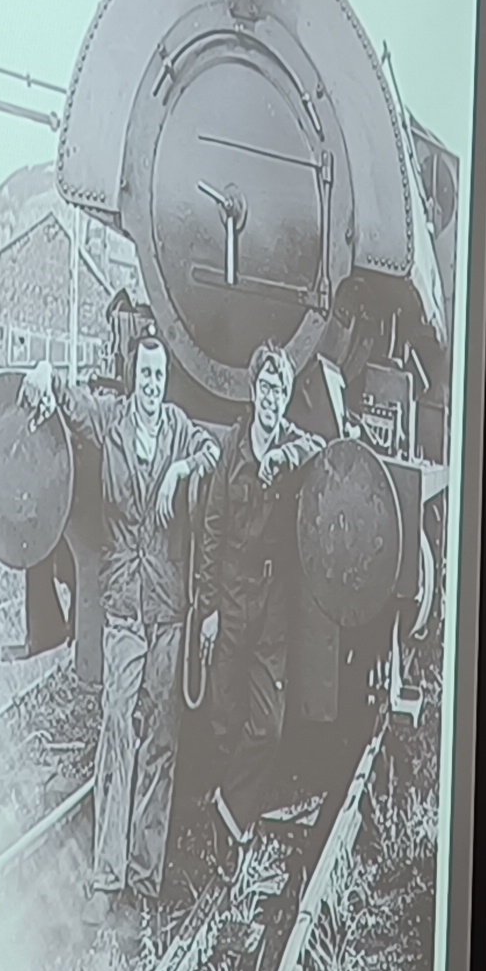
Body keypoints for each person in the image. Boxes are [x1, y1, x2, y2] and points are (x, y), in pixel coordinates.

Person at [25, 340, 212, 901]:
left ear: (167, 378)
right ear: (134, 377)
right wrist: (42, 372)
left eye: (160, 375)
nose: (152, 384)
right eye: (145, 375)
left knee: (162, 737)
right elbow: (74, 403)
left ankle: (145, 871)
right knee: (116, 728)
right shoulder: (112, 422)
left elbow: (212, 453)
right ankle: (107, 872)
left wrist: (179, 470)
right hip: (123, 606)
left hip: (167, 606)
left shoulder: (180, 429)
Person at [204, 343, 322, 843]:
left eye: (280, 390)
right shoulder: (233, 445)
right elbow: (212, 526)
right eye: (266, 388)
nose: (272, 398)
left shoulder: (290, 440)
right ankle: (220, 801)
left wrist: (284, 453)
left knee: (267, 725)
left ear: (287, 396)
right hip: (231, 592)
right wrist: (209, 606)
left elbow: (317, 445)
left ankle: (229, 814)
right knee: (222, 715)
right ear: (253, 393)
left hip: (273, 598)